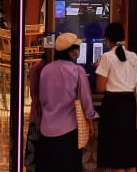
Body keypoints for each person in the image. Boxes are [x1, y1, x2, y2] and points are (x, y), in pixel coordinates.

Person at [37, 32, 98, 172]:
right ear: (71, 52)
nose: (78, 51)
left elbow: (42, 99)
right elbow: (86, 100)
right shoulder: (77, 71)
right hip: (68, 130)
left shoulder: (45, 70)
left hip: (46, 131)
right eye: (77, 48)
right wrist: (90, 120)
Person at [95, 23, 137, 172]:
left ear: (107, 40)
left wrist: (97, 68)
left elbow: (101, 87)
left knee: (116, 154)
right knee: (129, 153)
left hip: (112, 107)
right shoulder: (134, 57)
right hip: (130, 106)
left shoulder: (106, 57)